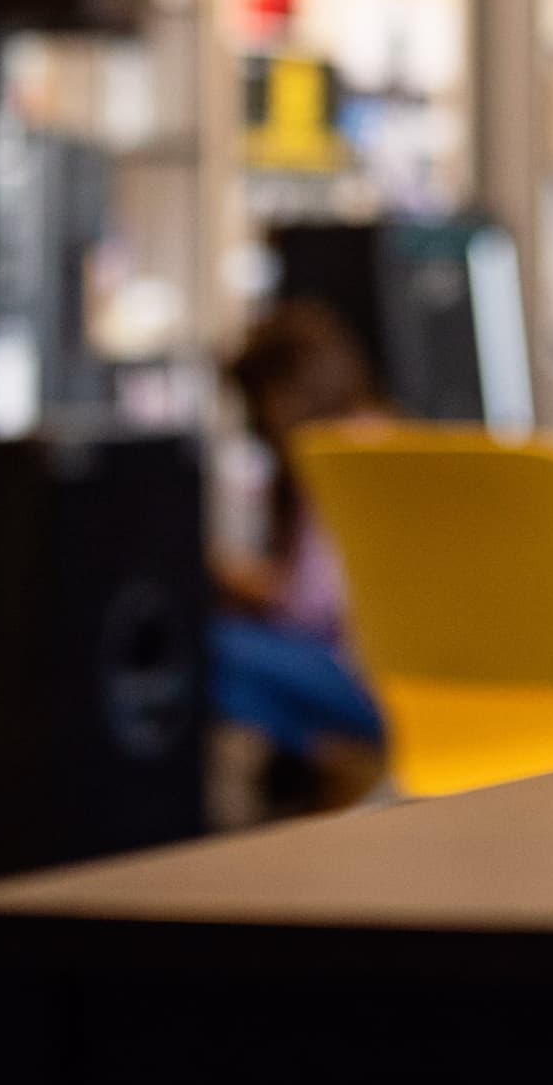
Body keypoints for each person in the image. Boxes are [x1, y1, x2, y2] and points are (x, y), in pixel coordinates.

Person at [211, 298, 391, 809]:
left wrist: (227, 578)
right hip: (402, 674)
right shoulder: (381, 430)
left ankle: (314, 767)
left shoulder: (336, 454)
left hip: (368, 678)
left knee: (211, 650)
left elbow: (309, 607)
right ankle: (317, 766)